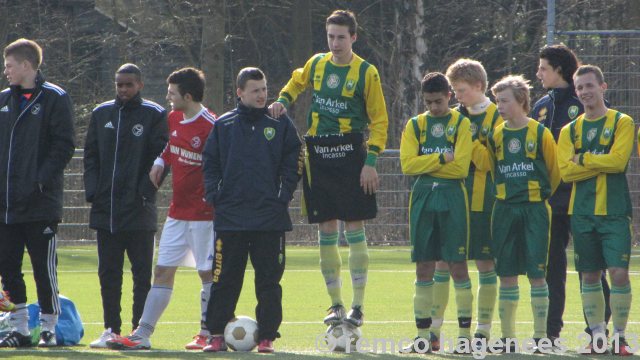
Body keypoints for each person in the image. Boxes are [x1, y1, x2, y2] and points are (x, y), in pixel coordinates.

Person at [268, 9, 388, 328]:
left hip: (351, 155)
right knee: (326, 230)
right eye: (330, 36)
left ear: (354, 37)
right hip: (318, 153)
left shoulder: (367, 73)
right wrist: (282, 99)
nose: (334, 43)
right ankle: (335, 304)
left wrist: (371, 162)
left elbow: (379, 121)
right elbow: (297, 81)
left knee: (354, 228)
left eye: (341, 37)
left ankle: (358, 307)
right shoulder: (317, 63)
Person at [105, 67, 216, 350]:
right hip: (177, 214)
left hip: (204, 216)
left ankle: (208, 332)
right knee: (163, 271)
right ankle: (142, 333)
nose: (168, 96)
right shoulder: (174, 117)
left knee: (206, 273)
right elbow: (171, 147)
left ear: (188, 96)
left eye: (172, 92)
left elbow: (222, 166)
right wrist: (159, 161)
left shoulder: (212, 126)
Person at [201, 67, 301, 353]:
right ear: (240, 93)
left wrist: (282, 195)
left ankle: (268, 335)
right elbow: (210, 163)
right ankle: (217, 334)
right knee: (224, 279)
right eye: (255, 90)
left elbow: (295, 159)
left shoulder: (280, 124)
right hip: (230, 218)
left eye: (264, 88)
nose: (262, 95)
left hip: (269, 218)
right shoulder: (224, 125)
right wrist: (215, 194)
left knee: (268, 281)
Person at [83, 63, 168, 348]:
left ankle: (138, 332)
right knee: (108, 273)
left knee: (142, 273)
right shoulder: (101, 113)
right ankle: (110, 328)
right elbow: (91, 156)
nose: (123, 90)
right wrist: (93, 191)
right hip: (106, 210)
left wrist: (145, 193)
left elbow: (162, 157)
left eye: (128, 85)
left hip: (139, 210)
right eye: (119, 84)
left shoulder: (154, 115)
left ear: (140, 85)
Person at [532, 44, 611, 341]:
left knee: (590, 265)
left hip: (582, 194)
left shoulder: (582, 103)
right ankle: (551, 331)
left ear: (559, 70)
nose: (538, 73)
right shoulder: (541, 105)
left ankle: (597, 329)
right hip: (550, 198)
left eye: (543, 68)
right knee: (552, 264)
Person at [0, 38, 75, 347]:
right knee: (8, 267)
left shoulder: (55, 98)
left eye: (9, 65)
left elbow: (64, 145)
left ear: (27, 66)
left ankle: (49, 328)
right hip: (6, 205)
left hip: (40, 204)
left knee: (44, 269)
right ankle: (17, 327)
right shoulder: (3, 100)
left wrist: (39, 181)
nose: (5, 71)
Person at [557, 65, 634, 355]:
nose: (585, 92)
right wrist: (594, 162)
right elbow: (565, 173)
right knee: (589, 275)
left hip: (614, 211)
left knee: (618, 273)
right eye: (580, 88)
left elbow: (618, 163)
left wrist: (583, 159)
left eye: (590, 86)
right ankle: (598, 337)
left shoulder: (622, 122)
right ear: (575, 93)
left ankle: (620, 336)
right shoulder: (570, 130)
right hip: (582, 212)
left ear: (602, 87)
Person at [426, 59, 502, 348]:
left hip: (484, 201)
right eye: (454, 91)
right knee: (443, 263)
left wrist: (468, 142)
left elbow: (488, 163)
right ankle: (434, 331)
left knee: (485, 263)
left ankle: (482, 331)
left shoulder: (497, 117)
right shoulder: (452, 116)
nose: (457, 97)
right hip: (451, 199)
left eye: (462, 91)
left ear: (480, 87)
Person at [399, 72, 472, 353]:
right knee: (424, 266)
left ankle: (464, 338)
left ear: (450, 97)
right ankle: (424, 337)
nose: (433, 108)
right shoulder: (416, 126)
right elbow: (407, 165)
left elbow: (461, 168)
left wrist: (425, 162)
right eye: (428, 102)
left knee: (458, 266)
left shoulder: (461, 124)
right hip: (423, 196)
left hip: (453, 195)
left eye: (438, 102)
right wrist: (442, 157)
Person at [487, 75, 559, 351]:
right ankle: (507, 339)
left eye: (504, 101)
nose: (500, 106)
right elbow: (495, 169)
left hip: (534, 210)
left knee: (537, 273)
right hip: (504, 209)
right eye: (497, 101)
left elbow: (553, 173)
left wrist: (536, 196)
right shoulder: (497, 135)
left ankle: (541, 337)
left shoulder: (540, 133)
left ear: (520, 101)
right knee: (506, 272)